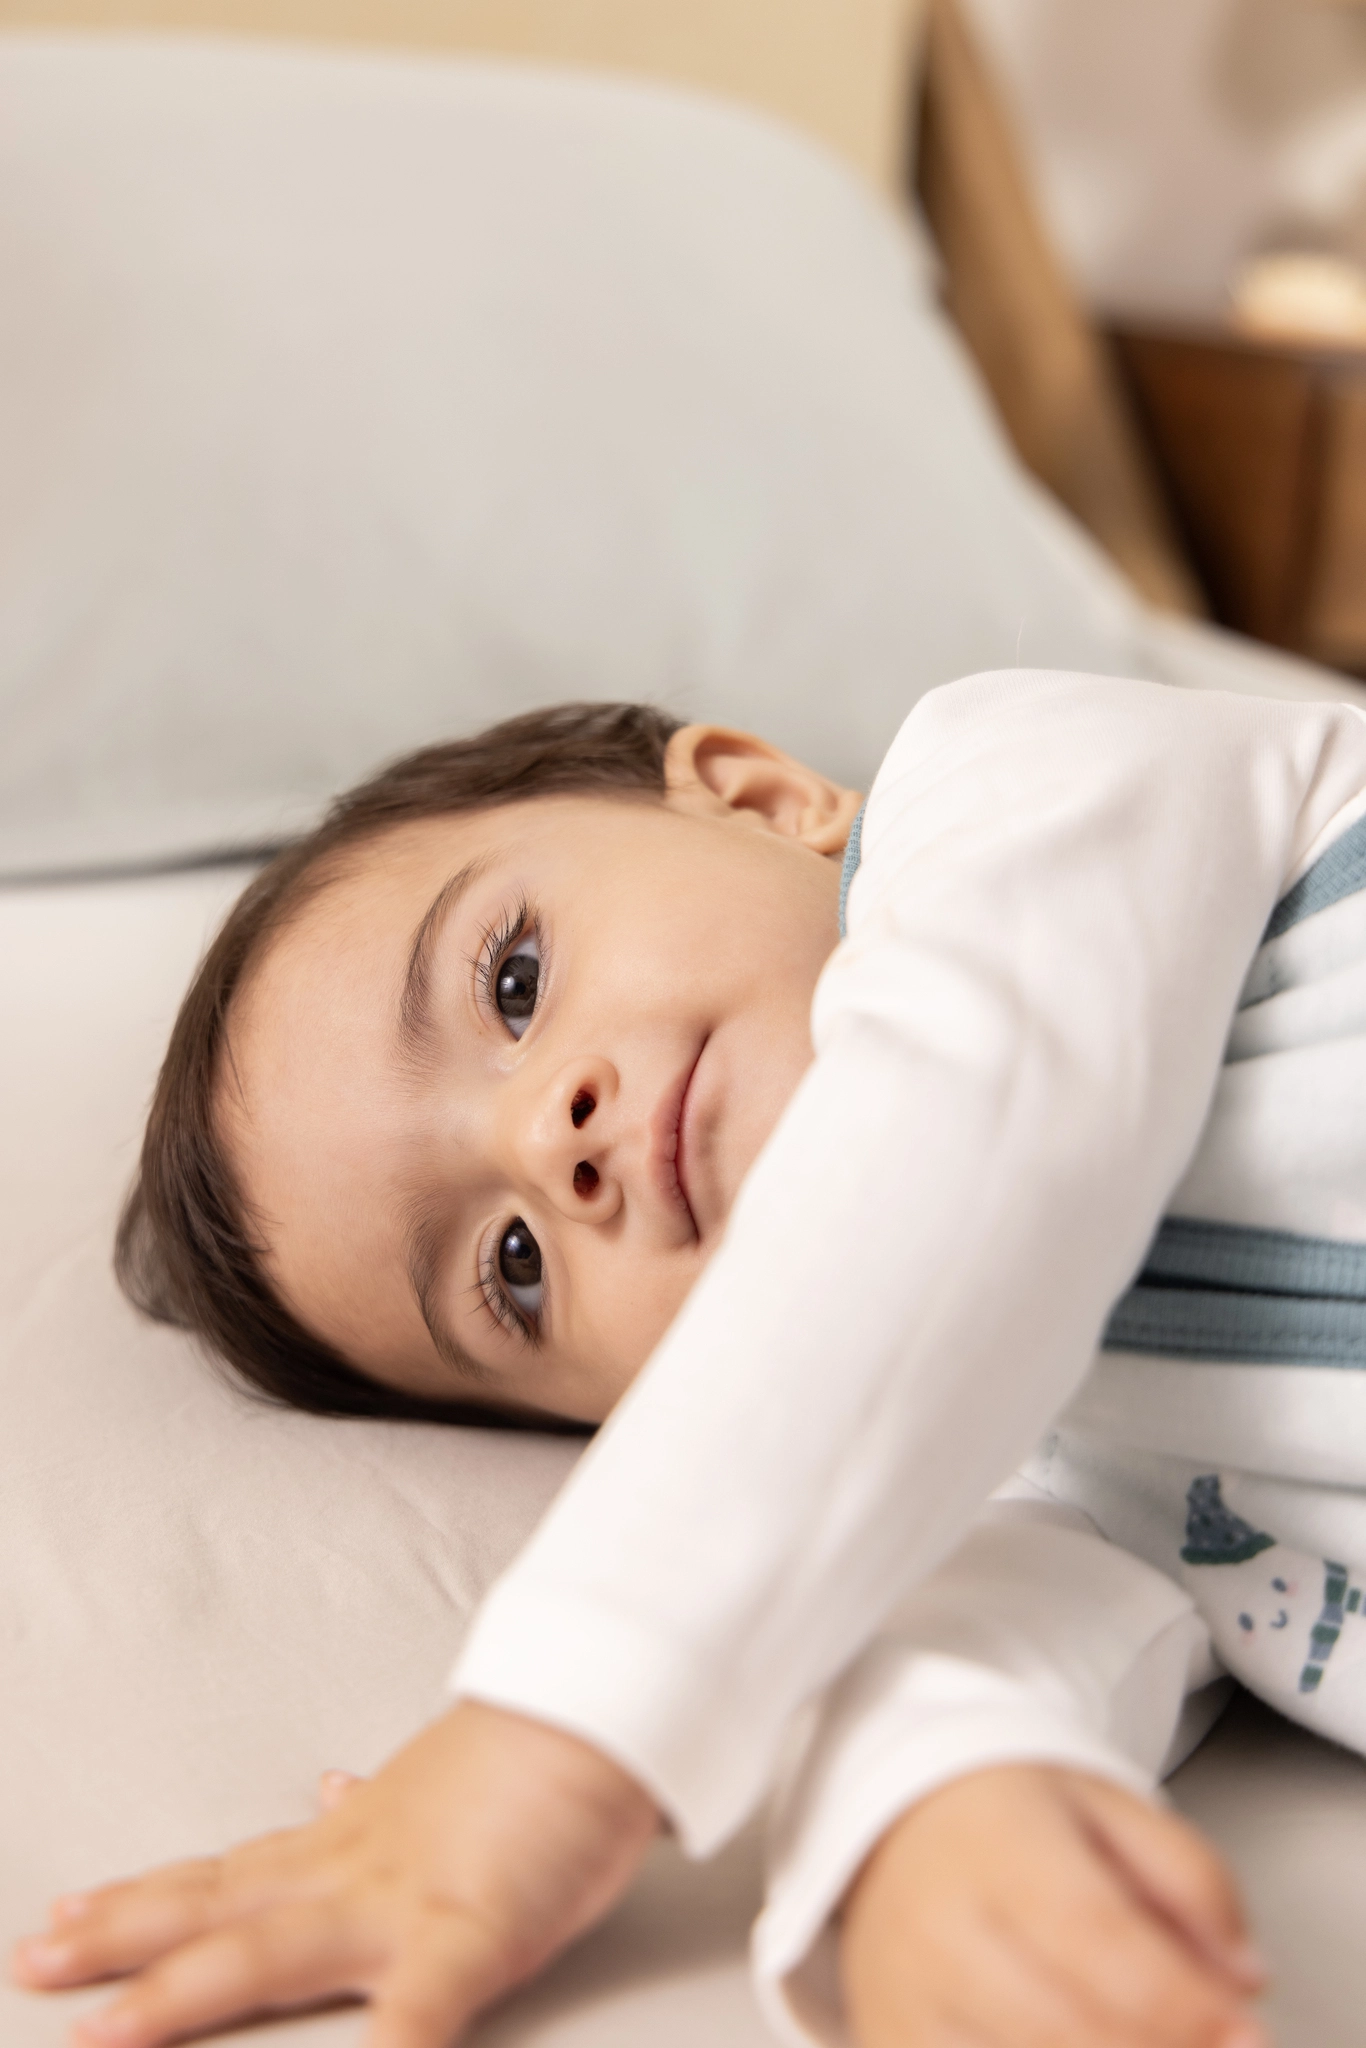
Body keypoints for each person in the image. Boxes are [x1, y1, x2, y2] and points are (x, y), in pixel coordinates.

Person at [12, 672, 1366, 2048]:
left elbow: (968, 1124)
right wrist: (930, 1835)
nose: (548, 1140)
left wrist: (552, 1732)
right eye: (514, 1268)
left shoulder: (1032, 787)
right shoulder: (1021, 1476)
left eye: (514, 983)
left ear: (759, 799)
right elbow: (943, 1645)